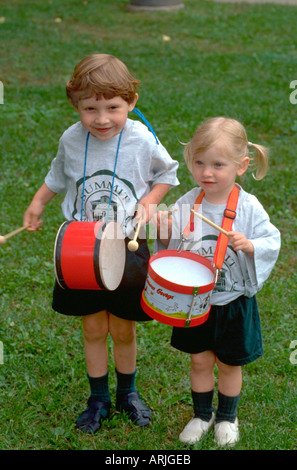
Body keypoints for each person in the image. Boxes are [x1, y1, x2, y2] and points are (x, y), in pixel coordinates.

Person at [23, 53, 179, 433]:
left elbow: (168, 172)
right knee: (93, 327)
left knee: (123, 327)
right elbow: (57, 175)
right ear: (75, 104)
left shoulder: (142, 139)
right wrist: (37, 203)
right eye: (90, 108)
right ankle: (98, 399)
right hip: (80, 250)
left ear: (131, 103)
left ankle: (128, 392)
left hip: (127, 245)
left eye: (113, 107)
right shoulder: (71, 140)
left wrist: (149, 201)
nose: (102, 118)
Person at [154, 117, 280, 446]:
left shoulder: (249, 208)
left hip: (233, 301)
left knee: (228, 363)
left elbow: (271, 240)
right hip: (195, 303)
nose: (206, 173)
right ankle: (201, 414)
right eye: (199, 162)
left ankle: (227, 416)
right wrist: (165, 230)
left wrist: (251, 245)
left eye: (218, 165)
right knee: (199, 360)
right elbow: (171, 250)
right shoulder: (187, 203)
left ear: (241, 166)